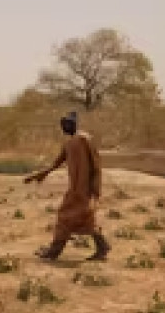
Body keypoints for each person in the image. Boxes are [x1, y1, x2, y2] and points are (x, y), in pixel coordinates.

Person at [24, 110, 110, 262]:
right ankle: (102, 247)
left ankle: (54, 251)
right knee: (81, 219)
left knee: (70, 217)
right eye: (62, 124)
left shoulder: (85, 139)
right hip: (75, 189)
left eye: (66, 124)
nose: (64, 127)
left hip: (85, 190)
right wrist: (39, 174)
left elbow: (96, 166)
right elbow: (57, 162)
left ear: (73, 124)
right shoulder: (69, 143)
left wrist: (95, 192)